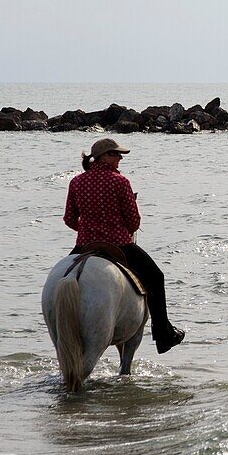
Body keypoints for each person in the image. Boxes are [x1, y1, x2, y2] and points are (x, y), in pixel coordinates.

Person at [63, 138, 185, 354]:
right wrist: (117, 227)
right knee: (156, 278)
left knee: (63, 277)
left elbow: (70, 219)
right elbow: (133, 221)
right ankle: (163, 335)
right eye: (116, 155)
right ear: (102, 157)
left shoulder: (76, 182)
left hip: (85, 245)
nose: (120, 159)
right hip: (119, 244)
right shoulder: (120, 182)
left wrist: (88, 228)